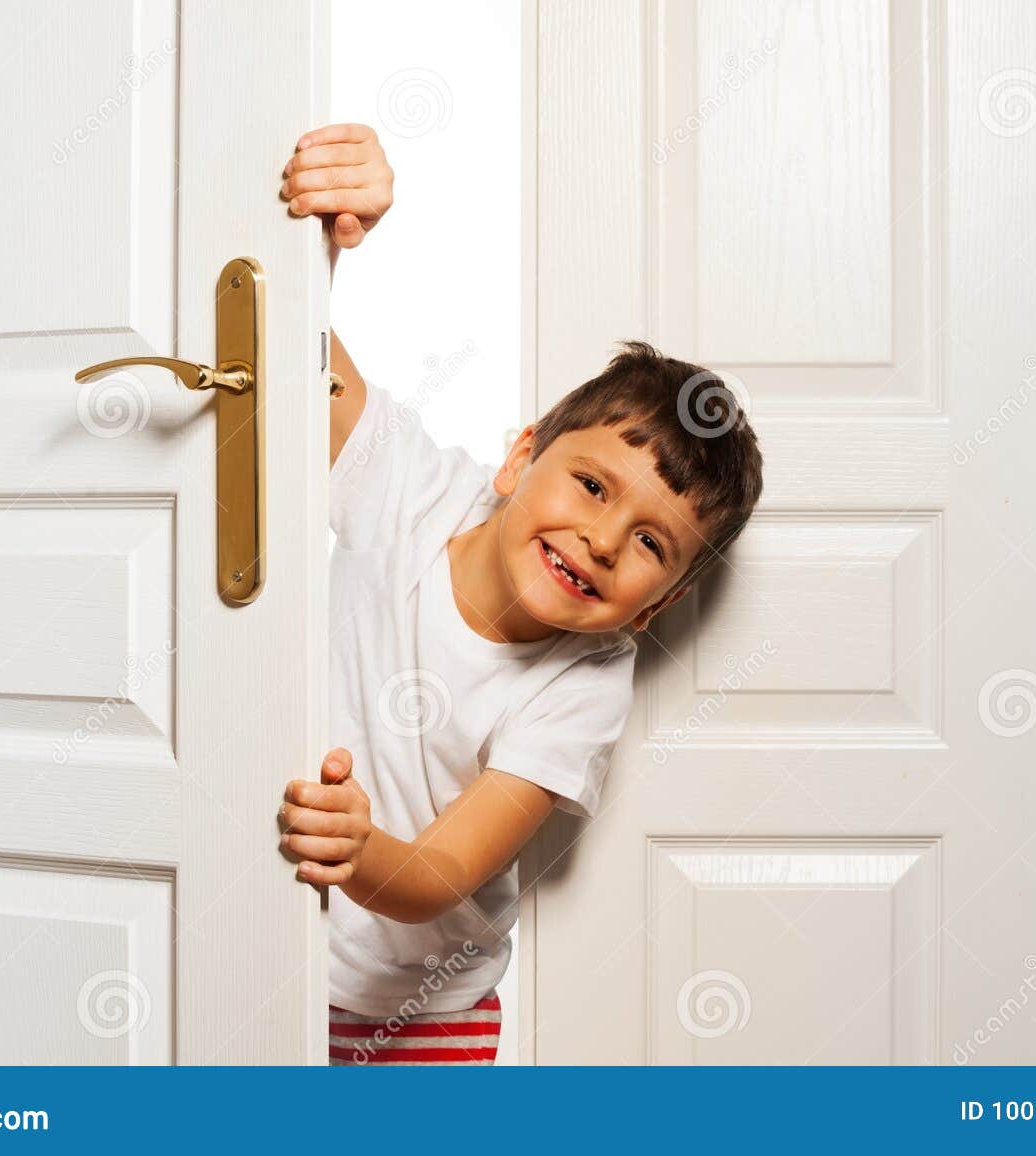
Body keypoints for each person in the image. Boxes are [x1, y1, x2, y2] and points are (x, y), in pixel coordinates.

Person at [277, 123, 763, 1064]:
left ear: (652, 608)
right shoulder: (412, 489)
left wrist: (354, 845)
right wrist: (332, 235)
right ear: (520, 457)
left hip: (426, 1018)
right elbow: (291, 357)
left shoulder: (584, 684)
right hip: (271, 961)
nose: (600, 539)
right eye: (590, 485)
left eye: (650, 544)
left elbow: (442, 874)